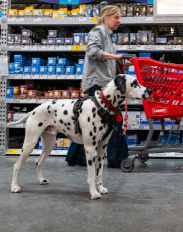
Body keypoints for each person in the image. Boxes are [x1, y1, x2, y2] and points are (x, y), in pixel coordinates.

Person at [66, 5, 130, 168]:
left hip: (104, 84)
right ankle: (118, 160)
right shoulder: (98, 32)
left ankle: (76, 157)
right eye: (116, 17)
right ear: (106, 17)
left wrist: (121, 62)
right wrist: (116, 56)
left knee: (88, 122)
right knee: (114, 120)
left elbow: (108, 60)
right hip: (97, 84)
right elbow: (93, 52)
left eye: (119, 17)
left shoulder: (109, 37)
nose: (119, 21)